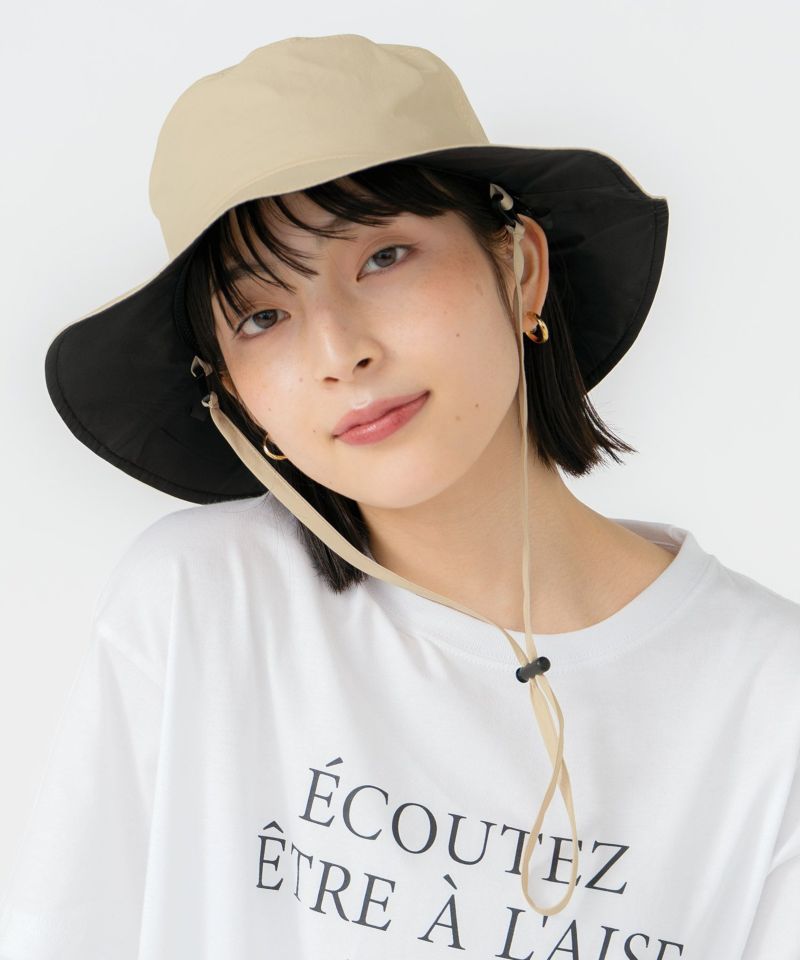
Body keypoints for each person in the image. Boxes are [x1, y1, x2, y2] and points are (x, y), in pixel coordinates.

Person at [1, 33, 798, 959]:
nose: (341, 352)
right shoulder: (201, 604)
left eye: (383, 258)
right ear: (232, 395)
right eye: (263, 316)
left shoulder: (770, 701)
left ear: (519, 268)